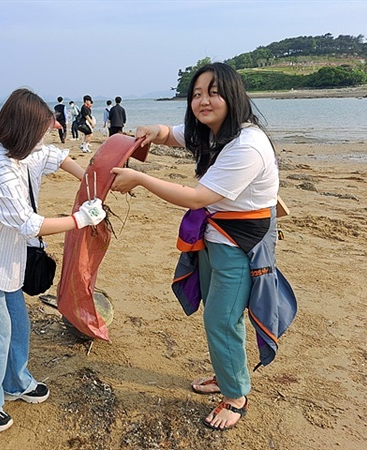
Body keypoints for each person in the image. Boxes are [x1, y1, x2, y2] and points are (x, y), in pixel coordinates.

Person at [111, 63, 283, 431]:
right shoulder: (211, 130)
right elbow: (173, 135)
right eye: (197, 94)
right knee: (219, 311)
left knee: (221, 319)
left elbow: (197, 197)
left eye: (213, 92)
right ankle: (226, 375)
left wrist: (140, 178)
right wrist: (151, 132)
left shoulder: (247, 144)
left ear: (233, 96)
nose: (203, 101)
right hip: (214, 235)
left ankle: (236, 395)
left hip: (241, 242)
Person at [0, 88, 106, 433]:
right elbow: (29, 224)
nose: (47, 135)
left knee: (17, 325)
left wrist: (88, 180)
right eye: (43, 129)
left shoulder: (24, 152)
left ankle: (15, 382)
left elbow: (56, 156)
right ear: (24, 130)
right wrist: (81, 219)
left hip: (5, 259)